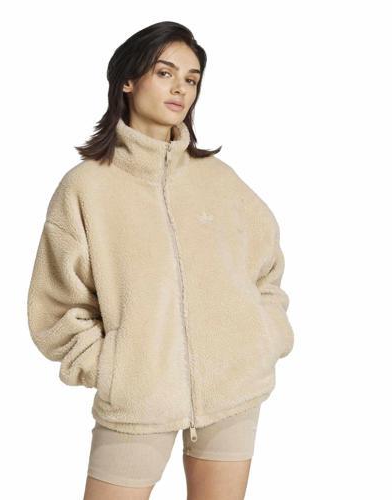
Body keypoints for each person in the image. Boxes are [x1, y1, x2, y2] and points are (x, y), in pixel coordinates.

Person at [27, 21, 295, 500]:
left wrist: (263, 337)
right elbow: (57, 306)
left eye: (191, 79)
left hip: (234, 390)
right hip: (137, 400)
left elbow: (266, 270)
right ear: (128, 80)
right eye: (165, 72)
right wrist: (115, 370)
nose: (180, 89)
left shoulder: (220, 180)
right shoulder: (86, 187)